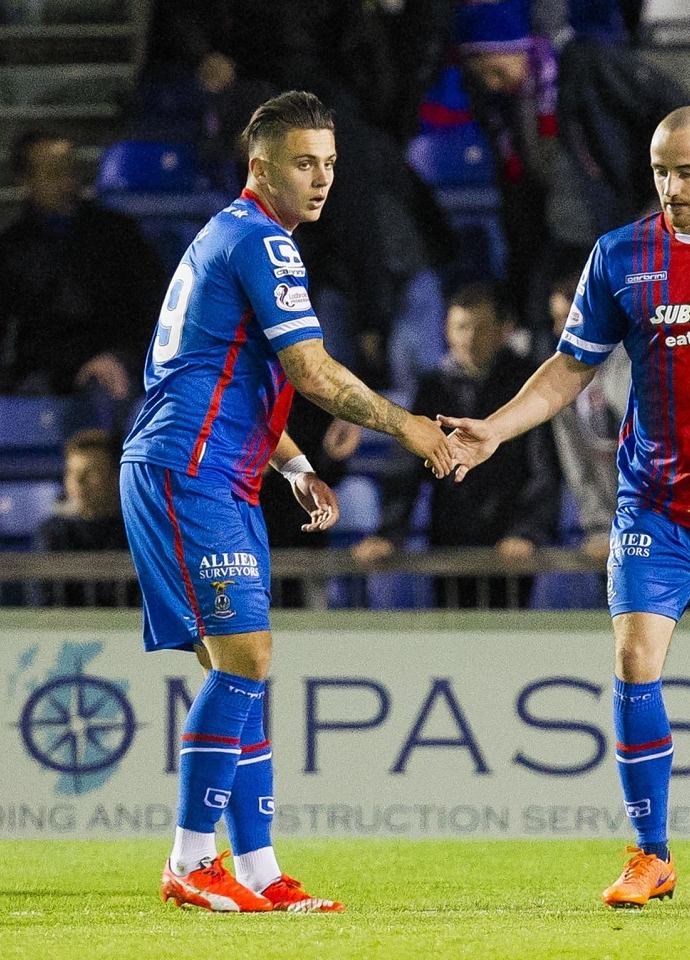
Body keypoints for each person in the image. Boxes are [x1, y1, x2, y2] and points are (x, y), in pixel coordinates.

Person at [438, 106, 690, 909]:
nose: (670, 188)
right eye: (659, 171)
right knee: (633, 661)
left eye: (685, 172)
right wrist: (493, 428)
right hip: (652, 501)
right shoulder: (621, 256)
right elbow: (568, 368)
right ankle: (649, 853)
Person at [120, 90, 452, 914]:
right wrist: (406, 424)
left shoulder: (223, 238)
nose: (323, 179)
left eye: (331, 164)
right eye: (306, 162)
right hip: (188, 470)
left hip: (210, 469)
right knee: (248, 660)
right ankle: (191, 863)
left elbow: (226, 371)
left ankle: (262, 871)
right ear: (259, 166)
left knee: (243, 673)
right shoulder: (262, 242)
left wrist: (295, 462)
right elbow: (309, 371)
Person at [352, 283, 559, 608]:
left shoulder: (525, 384)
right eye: (461, 327)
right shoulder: (433, 388)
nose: (470, 338)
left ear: (501, 332)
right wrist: (389, 533)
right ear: (447, 332)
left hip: (512, 547)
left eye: (480, 328)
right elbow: (407, 466)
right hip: (449, 543)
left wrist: (527, 532)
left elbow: (543, 468)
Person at [0, 131, 166, 412]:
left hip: (113, 362)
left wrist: (121, 357)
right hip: (42, 373)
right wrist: (8, 386)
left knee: (114, 395)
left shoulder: (119, 233)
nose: (67, 184)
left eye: (71, 172)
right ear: (24, 183)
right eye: (53, 175)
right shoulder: (7, 250)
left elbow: (153, 310)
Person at [547, 268, 630, 563]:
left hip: (663, 522)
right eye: (556, 320)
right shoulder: (561, 377)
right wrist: (600, 528)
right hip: (606, 530)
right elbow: (576, 464)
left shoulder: (634, 362)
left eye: (567, 319)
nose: (560, 330)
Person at [33, 428, 136, 607]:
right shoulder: (53, 533)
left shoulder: (138, 532)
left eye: (90, 472)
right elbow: (49, 605)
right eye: (71, 472)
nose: (77, 481)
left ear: (116, 476)